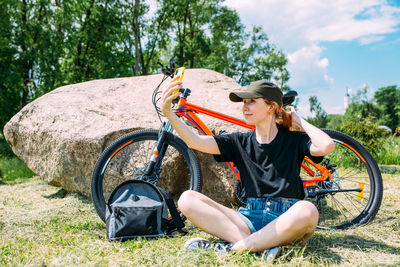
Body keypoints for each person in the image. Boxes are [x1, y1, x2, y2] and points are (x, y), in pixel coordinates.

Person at [161, 78, 335, 261]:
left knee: (307, 210)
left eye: (251, 101)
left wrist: (298, 119)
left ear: (271, 106)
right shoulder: (239, 142)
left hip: (286, 218)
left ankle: (236, 247)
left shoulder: (294, 139)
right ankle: (265, 247)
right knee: (188, 199)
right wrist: (169, 113)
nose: (245, 107)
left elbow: (326, 145)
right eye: (244, 102)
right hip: (249, 219)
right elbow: (194, 141)